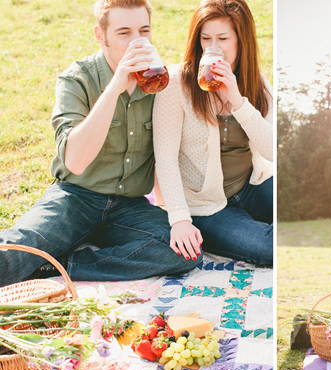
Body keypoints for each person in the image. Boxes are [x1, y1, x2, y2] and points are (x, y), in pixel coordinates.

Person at [0, 0, 201, 287]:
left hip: (129, 205)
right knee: (12, 257)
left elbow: (164, 154)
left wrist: (173, 214)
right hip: (76, 198)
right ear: (100, 35)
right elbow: (75, 162)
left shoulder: (160, 82)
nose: (137, 41)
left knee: (183, 254)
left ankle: (57, 266)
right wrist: (116, 85)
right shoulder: (76, 79)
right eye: (124, 33)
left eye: (144, 31)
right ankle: (40, 257)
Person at [153, 0, 273, 266]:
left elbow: (274, 152)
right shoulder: (176, 84)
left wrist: (238, 102)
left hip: (251, 184)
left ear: (242, 41)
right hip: (206, 205)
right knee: (269, 247)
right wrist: (180, 219)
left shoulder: (257, 83)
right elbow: (165, 157)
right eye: (205, 39)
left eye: (222, 38)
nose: (212, 48)